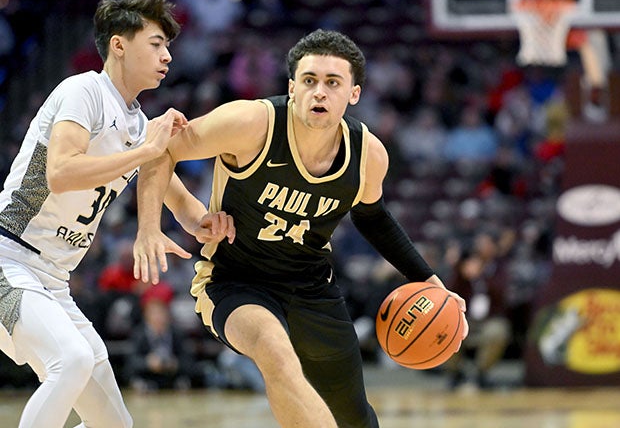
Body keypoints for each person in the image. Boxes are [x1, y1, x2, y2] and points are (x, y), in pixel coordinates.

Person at [134, 29, 468, 428]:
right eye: (309, 81)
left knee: (353, 415)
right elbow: (158, 150)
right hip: (235, 280)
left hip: (311, 285)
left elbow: (373, 216)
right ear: (292, 88)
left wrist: (430, 281)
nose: (319, 93)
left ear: (354, 94)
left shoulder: (368, 154)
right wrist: (168, 222)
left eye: (332, 83)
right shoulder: (251, 123)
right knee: (275, 352)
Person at [0, 0, 234, 428]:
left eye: (169, 46)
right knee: (68, 362)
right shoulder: (82, 89)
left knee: (115, 424)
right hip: (8, 258)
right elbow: (62, 173)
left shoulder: (140, 125)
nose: (167, 55)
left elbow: (184, 208)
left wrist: (210, 223)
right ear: (119, 45)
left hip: (54, 281)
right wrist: (146, 151)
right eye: (156, 43)